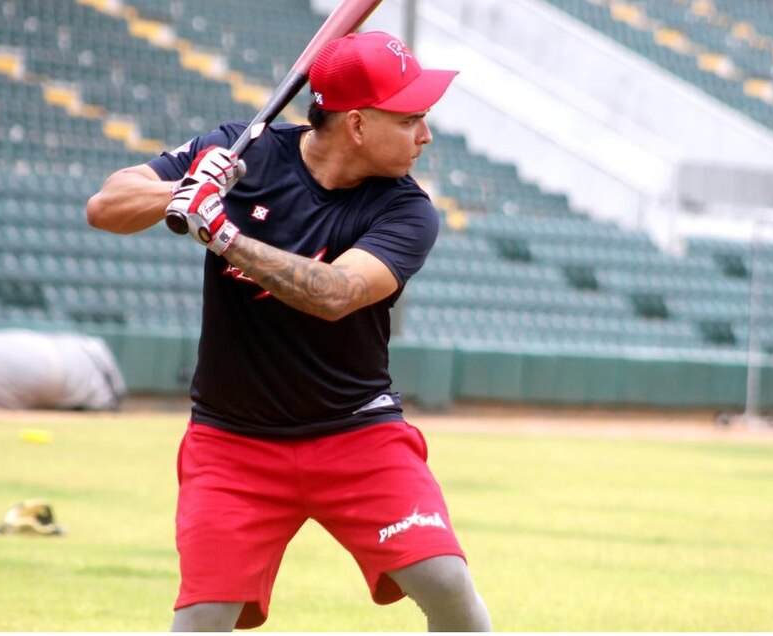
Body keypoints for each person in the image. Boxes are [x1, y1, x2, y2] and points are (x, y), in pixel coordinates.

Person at [86, 30, 492, 632]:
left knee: (446, 584)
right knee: (199, 621)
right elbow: (106, 204)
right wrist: (188, 188)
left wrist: (223, 234)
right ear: (356, 125)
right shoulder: (238, 147)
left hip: (357, 434)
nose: (425, 136)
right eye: (411, 120)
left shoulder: (407, 210)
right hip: (232, 443)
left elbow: (334, 295)